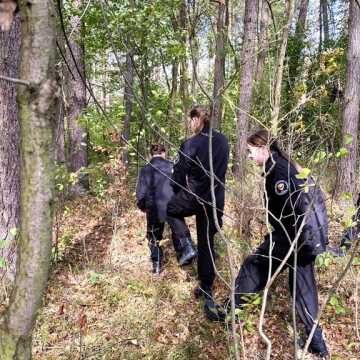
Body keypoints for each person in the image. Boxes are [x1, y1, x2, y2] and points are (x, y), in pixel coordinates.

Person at [206, 130, 329, 358]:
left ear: (264, 148)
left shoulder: (279, 172)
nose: (249, 156)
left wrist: (281, 240)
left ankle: (229, 312)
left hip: (292, 238)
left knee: (254, 265)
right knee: (303, 289)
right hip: (309, 240)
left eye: (251, 151)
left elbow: (290, 210)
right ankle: (317, 343)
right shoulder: (289, 165)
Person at [167, 105, 229, 300]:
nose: (190, 124)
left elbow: (177, 177)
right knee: (207, 241)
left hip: (195, 196)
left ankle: (186, 245)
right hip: (216, 200)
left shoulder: (190, 144)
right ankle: (206, 286)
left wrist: (179, 194)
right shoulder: (223, 141)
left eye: (191, 120)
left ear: (196, 120)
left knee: (169, 209)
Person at [136, 144, 190, 275]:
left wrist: (143, 206)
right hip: (173, 203)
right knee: (178, 231)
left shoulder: (145, 169)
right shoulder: (172, 166)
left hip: (153, 206)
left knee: (154, 235)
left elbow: (141, 193)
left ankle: (157, 266)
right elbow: (181, 186)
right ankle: (184, 262)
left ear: (151, 154)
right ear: (164, 153)